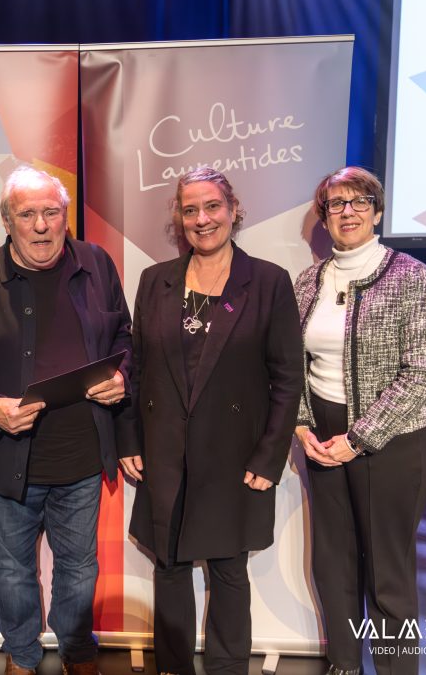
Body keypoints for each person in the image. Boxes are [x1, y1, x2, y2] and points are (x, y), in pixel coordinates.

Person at [0, 166, 131, 675]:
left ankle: (77, 651)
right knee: (14, 571)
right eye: (27, 215)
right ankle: (21, 656)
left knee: (80, 569)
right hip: (6, 459)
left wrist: (122, 375)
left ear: (65, 216)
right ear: (7, 221)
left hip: (82, 457)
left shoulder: (97, 265)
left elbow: (125, 339)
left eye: (51, 212)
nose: (41, 225)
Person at [118, 167, 304, 675]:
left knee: (228, 570)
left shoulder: (267, 282)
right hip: (165, 451)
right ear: (179, 218)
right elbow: (135, 369)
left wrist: (270, 456)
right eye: (190, 209)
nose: (202, 219)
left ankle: (227, 669)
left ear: (233, 209)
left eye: (212, 207)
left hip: (234, 454)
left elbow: (288, 379)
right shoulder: (155, 281)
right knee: (170, 567)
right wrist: (128, 437)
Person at [294, 167, 426, 675]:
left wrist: (358, 439)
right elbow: (290, 362)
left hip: (394, 440)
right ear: (325, 217)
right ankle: (343, 663)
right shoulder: (308, 281)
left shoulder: (410, 275)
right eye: (336, 204)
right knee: (332, 561)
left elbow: (420, 372)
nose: (348, 211)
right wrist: (302, 426)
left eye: (359, 202)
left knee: (386, 571)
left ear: (377, 211)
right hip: (322, 435)